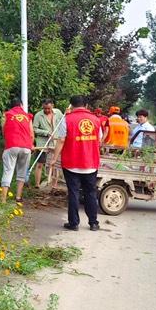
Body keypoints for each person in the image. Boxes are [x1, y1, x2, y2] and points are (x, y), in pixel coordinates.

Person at [61, 95, 101, 231]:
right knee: (91, 193)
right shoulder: (96, 120)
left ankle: (74, 223)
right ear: (86, 105)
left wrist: (55, 157)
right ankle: (93, 223)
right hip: (90, 163)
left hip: (72, 163)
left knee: (74, 193)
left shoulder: (67, 119)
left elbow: (61, 140)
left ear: (70, 105)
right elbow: (99, 139)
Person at [0, 98, 33, 203]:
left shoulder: (6, 114)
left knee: (8, 171)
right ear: (21, 105)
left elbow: (3, 130)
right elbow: (31, 134)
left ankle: (3, 200)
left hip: (12, 145)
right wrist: (31, 145)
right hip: (26, 147)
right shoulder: (28, 116)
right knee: (22, 172)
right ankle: (18, 197)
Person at [33, 99, 65, 188]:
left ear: (52, 106)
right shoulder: (38, 116)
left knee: (55, 163)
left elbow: (63, 122)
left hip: (56, 143)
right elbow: (34, 129)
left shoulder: (58, 112)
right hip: (43, 143)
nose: (47, 110)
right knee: (40, 163)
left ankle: (54, 184)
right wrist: (46, 133)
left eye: (48, 109)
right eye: (45, 109)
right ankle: (37, 184)